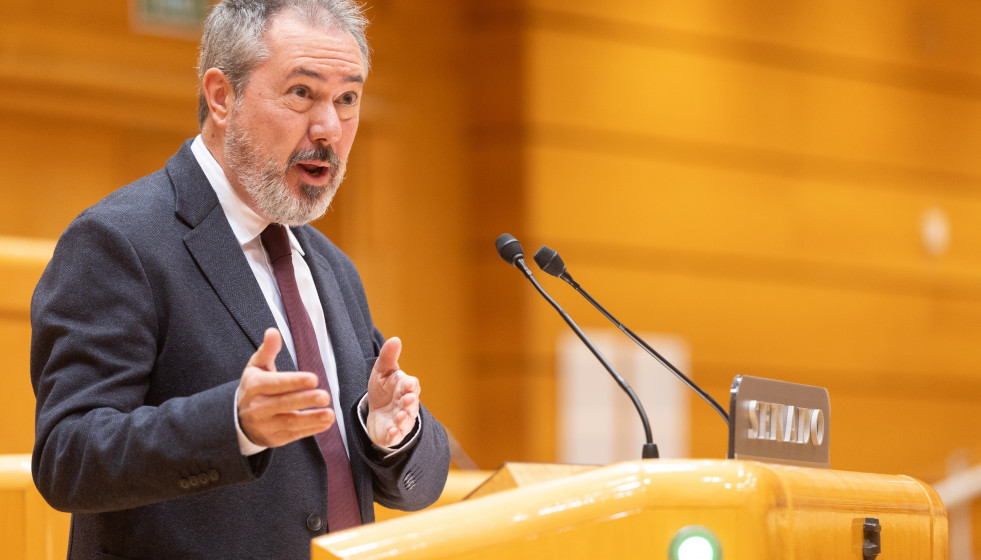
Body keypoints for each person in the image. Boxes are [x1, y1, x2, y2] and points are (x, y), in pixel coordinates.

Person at [29, 0, 451, 558]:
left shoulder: (331, 267)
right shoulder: (118, 241)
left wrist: (386, 432)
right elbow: (69, 457)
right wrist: (232, 425)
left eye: (347, 98)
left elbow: (408, 476)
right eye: (302, 93)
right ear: (221, 96)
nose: (329, 128)